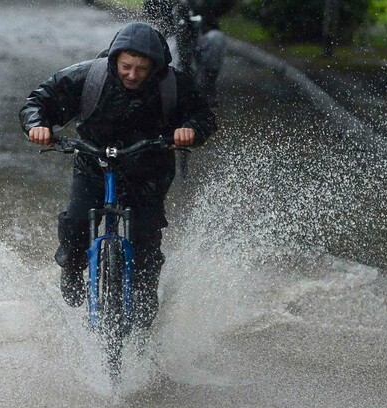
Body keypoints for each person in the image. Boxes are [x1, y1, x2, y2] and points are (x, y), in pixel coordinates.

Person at [19, 22, 217, 330]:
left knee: (146, 236)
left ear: (156, 66)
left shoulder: (174, 85)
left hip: (148, 169)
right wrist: (38, 126)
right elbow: (38, 101)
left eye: (141, 69)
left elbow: (204, 115)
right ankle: (71, 267)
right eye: (126, 66)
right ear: (115, 60)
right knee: (76, 221)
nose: (133, 75)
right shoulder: (88, 76)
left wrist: (190, 130)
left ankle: (144, 293)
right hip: (93, 163)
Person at [143, 0, 236, 105]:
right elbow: (150, 10)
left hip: (203, 33)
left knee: (217, 39)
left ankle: (204, 90)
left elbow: (223, 7)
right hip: (173, 36)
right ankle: (171, 88)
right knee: (170, 52)